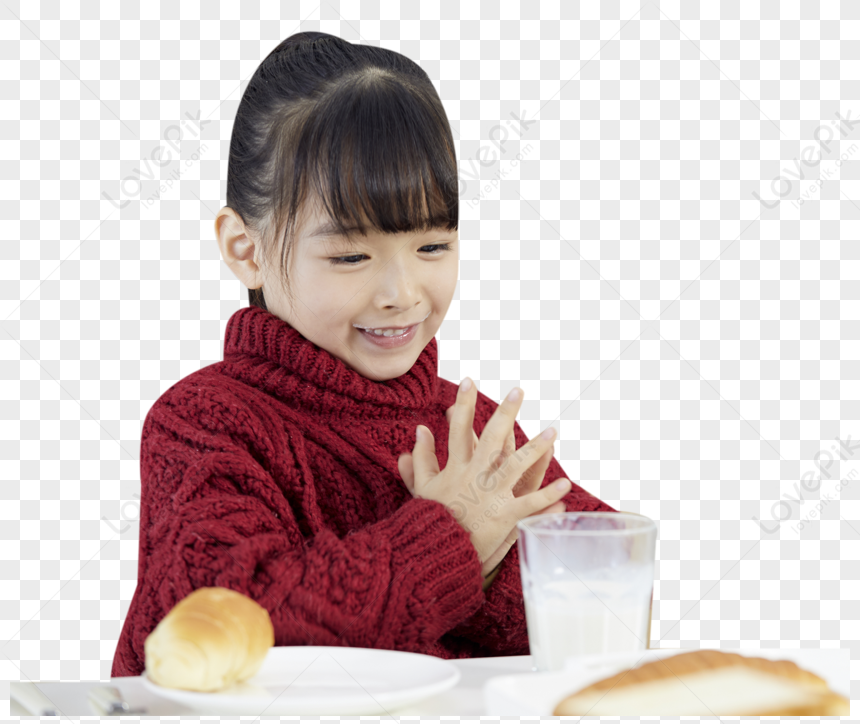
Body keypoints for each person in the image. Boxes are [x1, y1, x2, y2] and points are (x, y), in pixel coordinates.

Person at [111, 31, 616, 678]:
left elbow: (611, 599)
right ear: (247, 250)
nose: (401, 294)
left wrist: (492, 562)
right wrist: (452, 543)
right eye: (351, 256)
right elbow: (226, 631)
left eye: (432, 247)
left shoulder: (470, 436)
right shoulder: (204, 425)